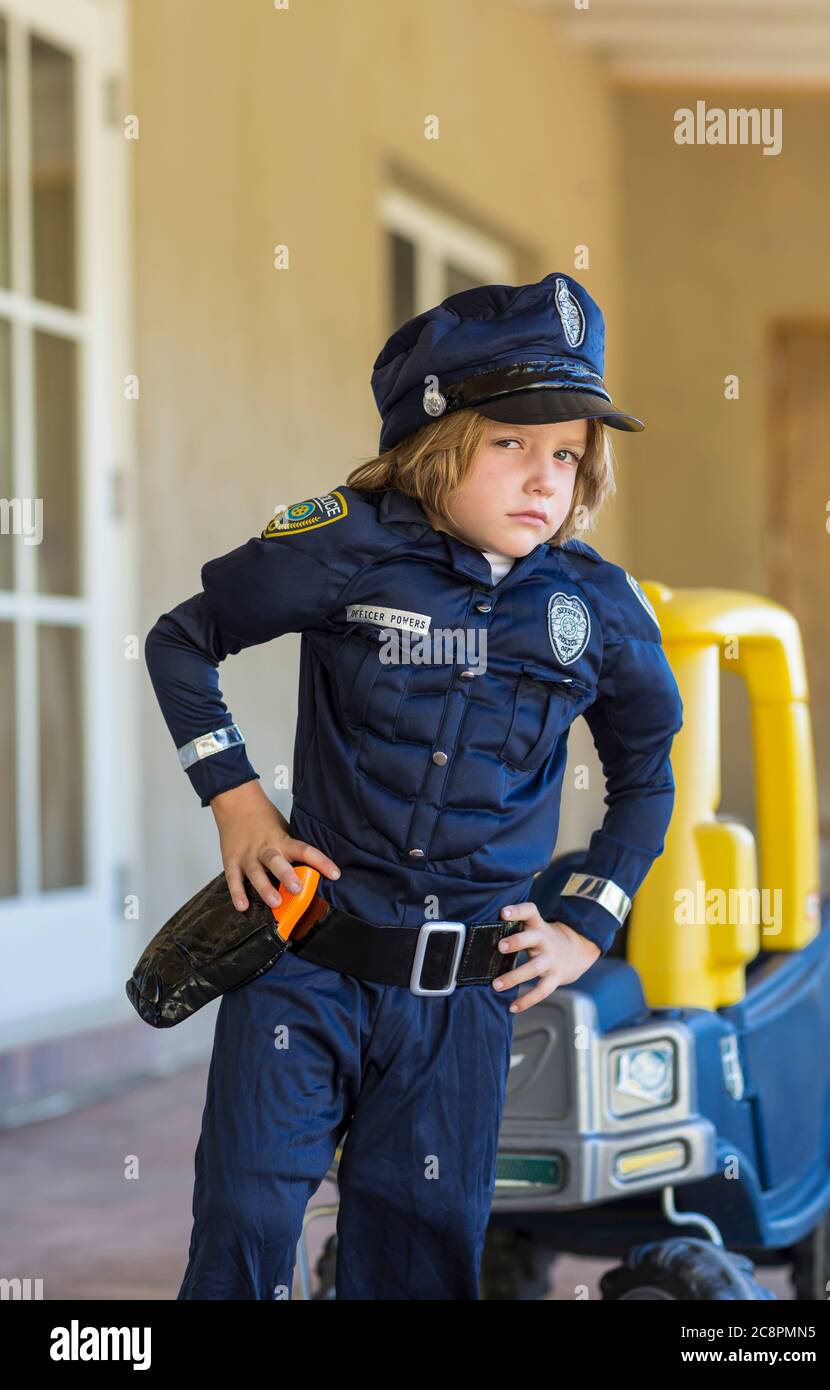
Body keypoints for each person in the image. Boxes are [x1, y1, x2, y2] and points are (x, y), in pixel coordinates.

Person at [144, 270, 684, 1300]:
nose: (543, 477)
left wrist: (588, 920)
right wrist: (237, 799)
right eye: (510, 443)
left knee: (418, 1252)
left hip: (459, 1005)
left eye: (566, 452)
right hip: (304, 962)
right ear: (433, 445)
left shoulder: (596, 609)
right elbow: (183, 641)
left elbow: (646, 771)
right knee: (248, 1217)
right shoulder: (344, 543)